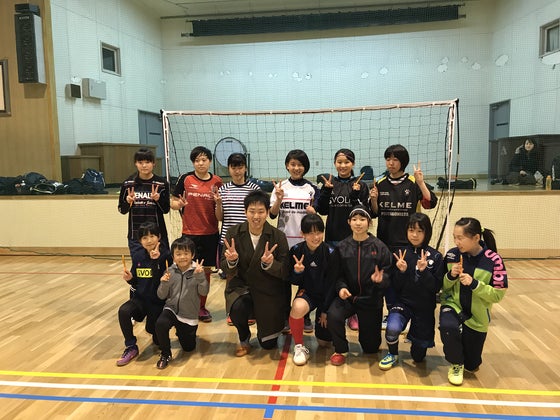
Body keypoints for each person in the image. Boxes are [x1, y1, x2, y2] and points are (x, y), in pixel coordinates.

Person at [369, 144, 438, 330]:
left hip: (408, 244)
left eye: (395, 159)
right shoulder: (380, 183)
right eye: (388, 159)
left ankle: (407, 314)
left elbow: (430, 202)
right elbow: (375, 213)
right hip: (385, 242)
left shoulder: (412, 182)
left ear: (403, 162)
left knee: (407, 280)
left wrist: (421, 182)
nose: (391, 163)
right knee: (388, 282)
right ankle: (394, 313)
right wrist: (374, 199)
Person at [439, 217, 508, 386]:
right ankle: (456, 364)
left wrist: (475, 284)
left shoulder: (494, 260)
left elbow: (498, 295)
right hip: (453, 305)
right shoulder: (452, 255)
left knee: (472, 365)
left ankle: (466, 358)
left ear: (476, 238)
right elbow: (442, 286)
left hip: (477, 316)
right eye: (454, 237)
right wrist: (450, 276)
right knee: (448, 327)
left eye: (460, 238)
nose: (456, 242)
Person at [221, 190, 290, 357]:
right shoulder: (233, 233)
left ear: (267, 212)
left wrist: (270, 264)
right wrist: (232, 261)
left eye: (261, 211)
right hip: (242, 286)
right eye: (252, 211)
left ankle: (272, 325)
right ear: (245, 212)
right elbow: (224, 266)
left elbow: (285, 270)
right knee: (237, 307)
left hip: (268, 290)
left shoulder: (278, 236)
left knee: (268, 345)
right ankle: (244, 337)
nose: (256, 216)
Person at [326, 205, 392, 366]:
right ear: (349, 222)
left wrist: (381, 280)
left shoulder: (380, 247)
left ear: (369, 222)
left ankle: (369, 339)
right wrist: (341, 287)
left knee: (370, 348)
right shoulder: (342, 247)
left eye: (362, 219)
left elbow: (389, 275)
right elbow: (337, 275)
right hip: (348, 298)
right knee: (333, 315)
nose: (358, 223)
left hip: (370, 300)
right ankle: (341, 349)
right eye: (354, 219)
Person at [378, 213, 444, 370]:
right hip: (403, 303)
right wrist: (401, 272)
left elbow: (435, 287)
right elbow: (395, 286)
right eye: (411, 230)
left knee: (418, 357)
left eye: (420, 231)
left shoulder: (436, 256)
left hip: (424, 308)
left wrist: (423, 272)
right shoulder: (400, 254)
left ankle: (417, 343)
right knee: (392, 329)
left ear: (427, 232)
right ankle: (393, 353)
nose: (415, 235)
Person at [316, 148, 370, 331]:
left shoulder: (360, 185)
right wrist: (326, 191)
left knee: (352, 277)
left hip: (353, 240)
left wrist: (355, 196)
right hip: (332, 238)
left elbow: (364, 212)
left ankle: (352, 312)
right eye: (339, 162)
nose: (343, 165)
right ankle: (329, 308)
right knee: (332, 276)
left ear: (352, 164)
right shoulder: (330, 183)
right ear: (335, 163)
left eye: (347, 162)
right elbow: (322, 210)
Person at [171, 146, 223, 323]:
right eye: (197, 160)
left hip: (210, 233)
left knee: (204, 272)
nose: (200, 163)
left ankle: (201, 306)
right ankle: (184, 305)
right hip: (189, 233)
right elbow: (173, 202)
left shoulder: (217, 181)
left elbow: (219, 207)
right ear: (193, 162)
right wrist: (179, 205)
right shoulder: (185, 179)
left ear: (210, 161)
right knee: (186, 270)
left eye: (204, 160)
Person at [270, 149, 319, 333]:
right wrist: (278, 199)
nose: (296, 168)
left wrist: (314, 212)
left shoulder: (311, 188)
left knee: (306, 281)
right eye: (293, 164)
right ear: (287, 166)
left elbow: (317, 213)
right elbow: (272, 214)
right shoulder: (280, 187)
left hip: (305, 244)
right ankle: (285, 316)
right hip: (284, 243)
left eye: (300, 165)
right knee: (284, 281)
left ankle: (304, 315)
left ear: (305, 167)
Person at [214, 152, 260, 326]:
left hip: (250, 240)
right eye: (234, 167)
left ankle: (251, 310)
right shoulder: (223, 190)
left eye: (240, 167)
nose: (237, 170)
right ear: (229, 169)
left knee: (252, 276)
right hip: (228, 240)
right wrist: (218, 203)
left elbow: (258, 215)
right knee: (231, 277)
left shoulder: (254, 189)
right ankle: (231, 311)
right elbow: (219, 217)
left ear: (245, 168)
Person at [116, 222, 170, 367]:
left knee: (156, 338)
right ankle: (131, 346)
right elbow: (136, 282)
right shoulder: (138, 256)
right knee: (124, 311)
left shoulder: (166, 255)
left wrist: (155, 261)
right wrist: (130, 279)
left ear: (159, 237)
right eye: (145, 237)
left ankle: (154, 330)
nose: (149, 240)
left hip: (158, 303)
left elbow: (161, 283)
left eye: (152, 236)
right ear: (140, 241)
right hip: (140, 300)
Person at [288, 213, 335, 366]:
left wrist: (325, 311)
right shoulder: (296, 250)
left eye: (319, 232)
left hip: (327, 296)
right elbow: (294, 281)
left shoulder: (331, 252)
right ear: (303, 234)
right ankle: (299, 346)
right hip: (308, 293)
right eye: (311, 233)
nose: (316, 237)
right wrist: (297, 272)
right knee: (297, 307)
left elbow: (332, 285)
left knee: (324, 343)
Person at [155, 237, 209, 369]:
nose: (182, 257)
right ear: (173, 256)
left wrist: (200, 277)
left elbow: (204, 292)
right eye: (178, 254)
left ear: (192, 255)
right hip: (171, 309)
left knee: (188, 348)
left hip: (189, 315)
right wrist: (163, 283)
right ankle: (165, 354)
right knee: (160, 323)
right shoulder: (169, 271)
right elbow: (161, 295)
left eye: (186, 253)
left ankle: (181, 331)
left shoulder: (198, 271)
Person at [118, 147, 170, 256]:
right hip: (136, 234)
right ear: (135, 164)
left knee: (161, 264)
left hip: (157, 234)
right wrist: (128, 202)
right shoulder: (128, 183)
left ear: (153, 163)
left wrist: (158, 199)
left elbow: (166, 210)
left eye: (147, 162)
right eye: (140, 162)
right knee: (140, 265)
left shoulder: (162, 184)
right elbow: (122, 210)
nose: (144, 165)